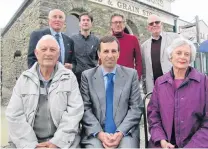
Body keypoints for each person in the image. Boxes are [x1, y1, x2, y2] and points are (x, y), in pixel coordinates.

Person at [6, 35, 84, 148]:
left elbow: (75, 112)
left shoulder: (69, 77)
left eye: (52, 50)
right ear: (36, 53)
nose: (48, 53)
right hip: (29, 142)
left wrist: (56, 143)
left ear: (58, 54)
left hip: (63, 141)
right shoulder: (24, 79)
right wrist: (33, 145)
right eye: (44, 49)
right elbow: (14, 115)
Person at [80, 35, 143, 148]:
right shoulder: (87, 76)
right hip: (96, 133)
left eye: (113, 51)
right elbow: (85, 109)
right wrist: (100, 134)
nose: (110, 55)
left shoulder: (131, 75)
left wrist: (120, 133)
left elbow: (136, 108)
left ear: (118, 53)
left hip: (125, 132)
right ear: (99, 54)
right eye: (106, 51)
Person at [147, 38, 208, 148]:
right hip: (164, 144)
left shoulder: (203, 82)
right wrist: (161, 140)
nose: (182, 57)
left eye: (187, 54)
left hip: (197, 144)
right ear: (171, 57)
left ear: (190, 59)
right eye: (178, 53)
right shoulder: (160, 83)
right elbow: (153, 117)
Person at [141, 14, 180, 94]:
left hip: (173, 84)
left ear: (161, 24)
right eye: (151, 24)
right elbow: (144, 69)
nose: (154, 25)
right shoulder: (144, 46)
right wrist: (145, 89)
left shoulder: (174, 38)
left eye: (157, 22)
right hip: (154, 88)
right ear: (148, 28)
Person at [111, 13, 142, 79]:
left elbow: (138, 61)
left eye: (120, 22)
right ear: (111, 25)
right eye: (115, 22)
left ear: (124, 24)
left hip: (129, 79)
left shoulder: (133, 39)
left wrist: (137, 77)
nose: (118, 24)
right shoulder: (107, 40)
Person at [71, 12, 99, 85]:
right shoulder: (72, 40)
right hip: (76, 78)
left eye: (88, 20)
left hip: (92, 78)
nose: (85, 22)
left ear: (91, 23)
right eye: (83, 20)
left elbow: (99, 59)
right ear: (79, 23)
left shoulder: (97, 41)